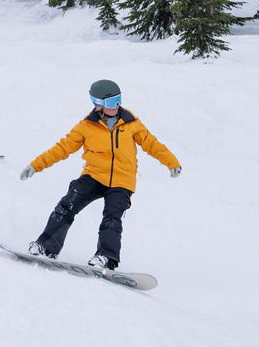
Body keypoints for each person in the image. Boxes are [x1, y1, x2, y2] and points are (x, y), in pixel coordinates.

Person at [19, 79, 181, 270]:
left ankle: (106, 258)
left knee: (112, 217)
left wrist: (171, 162)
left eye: (119, 100)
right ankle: (46, 247)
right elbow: (62, 148)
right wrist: (36, 165)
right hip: (94, 175)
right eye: (112, 102)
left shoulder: (131, 123)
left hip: (122, 180)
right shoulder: (87, 126)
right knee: (67, 205)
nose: (117, 106)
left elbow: (152, 144)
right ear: (99, 104)